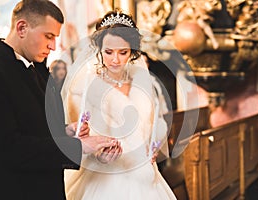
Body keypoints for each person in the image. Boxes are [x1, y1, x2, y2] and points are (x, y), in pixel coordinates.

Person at [0, 1, 118, 199]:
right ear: (22, 28)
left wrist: (66, 131)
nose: (53, 45)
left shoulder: (39, 70)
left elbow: (35, 126)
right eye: (48, 36)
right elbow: (8, 148)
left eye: (55, 38)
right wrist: (79, 146)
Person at [62, 10, 176, 200]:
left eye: (123, 52)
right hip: (104, 178)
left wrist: (153, 145)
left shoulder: (141, 79)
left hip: (145, 176)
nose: (115, 60)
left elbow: (153, 124)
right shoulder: (84, 86)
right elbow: (77, 140)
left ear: (132, 52)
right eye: (108, 52)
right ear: (99, 49)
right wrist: (98, 156)